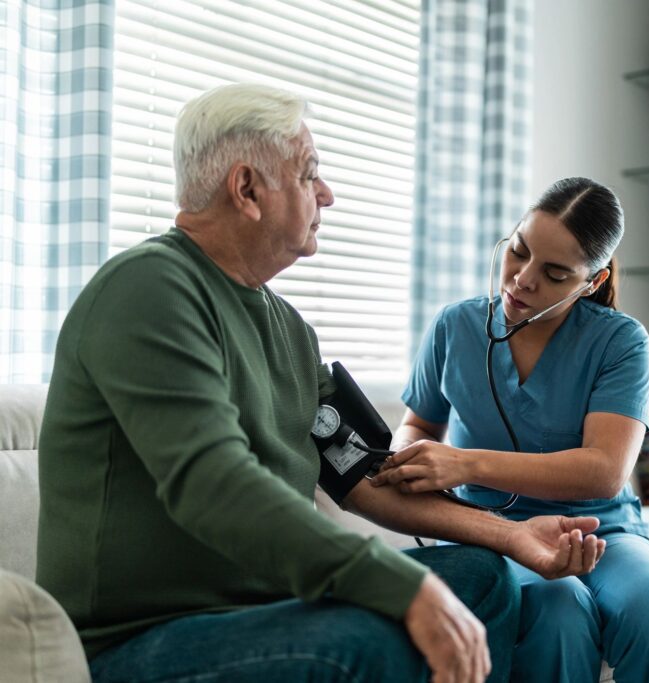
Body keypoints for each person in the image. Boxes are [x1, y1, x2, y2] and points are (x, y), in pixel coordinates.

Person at [35, 84, 607, 683]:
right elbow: (215, 486)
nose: (327, 194)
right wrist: (402, 588)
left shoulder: (288, 329)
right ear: (248, 189)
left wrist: (512, 536)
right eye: (310, 175)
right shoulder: (151, 288)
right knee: (366, 638)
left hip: (263, 615)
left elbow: (360, 474)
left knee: (480, 580)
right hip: (144, 640)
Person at [373, 177, 649, 682]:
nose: (523, 280)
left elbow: (604, 471)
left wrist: (464, 462)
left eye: (553, 273)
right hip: (492, 533)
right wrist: (411, 457)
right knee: (558, 608)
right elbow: (418, 423)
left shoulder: (621, 343)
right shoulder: (454, 328)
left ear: (590, 282)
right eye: (519, 252)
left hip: (602, 530)